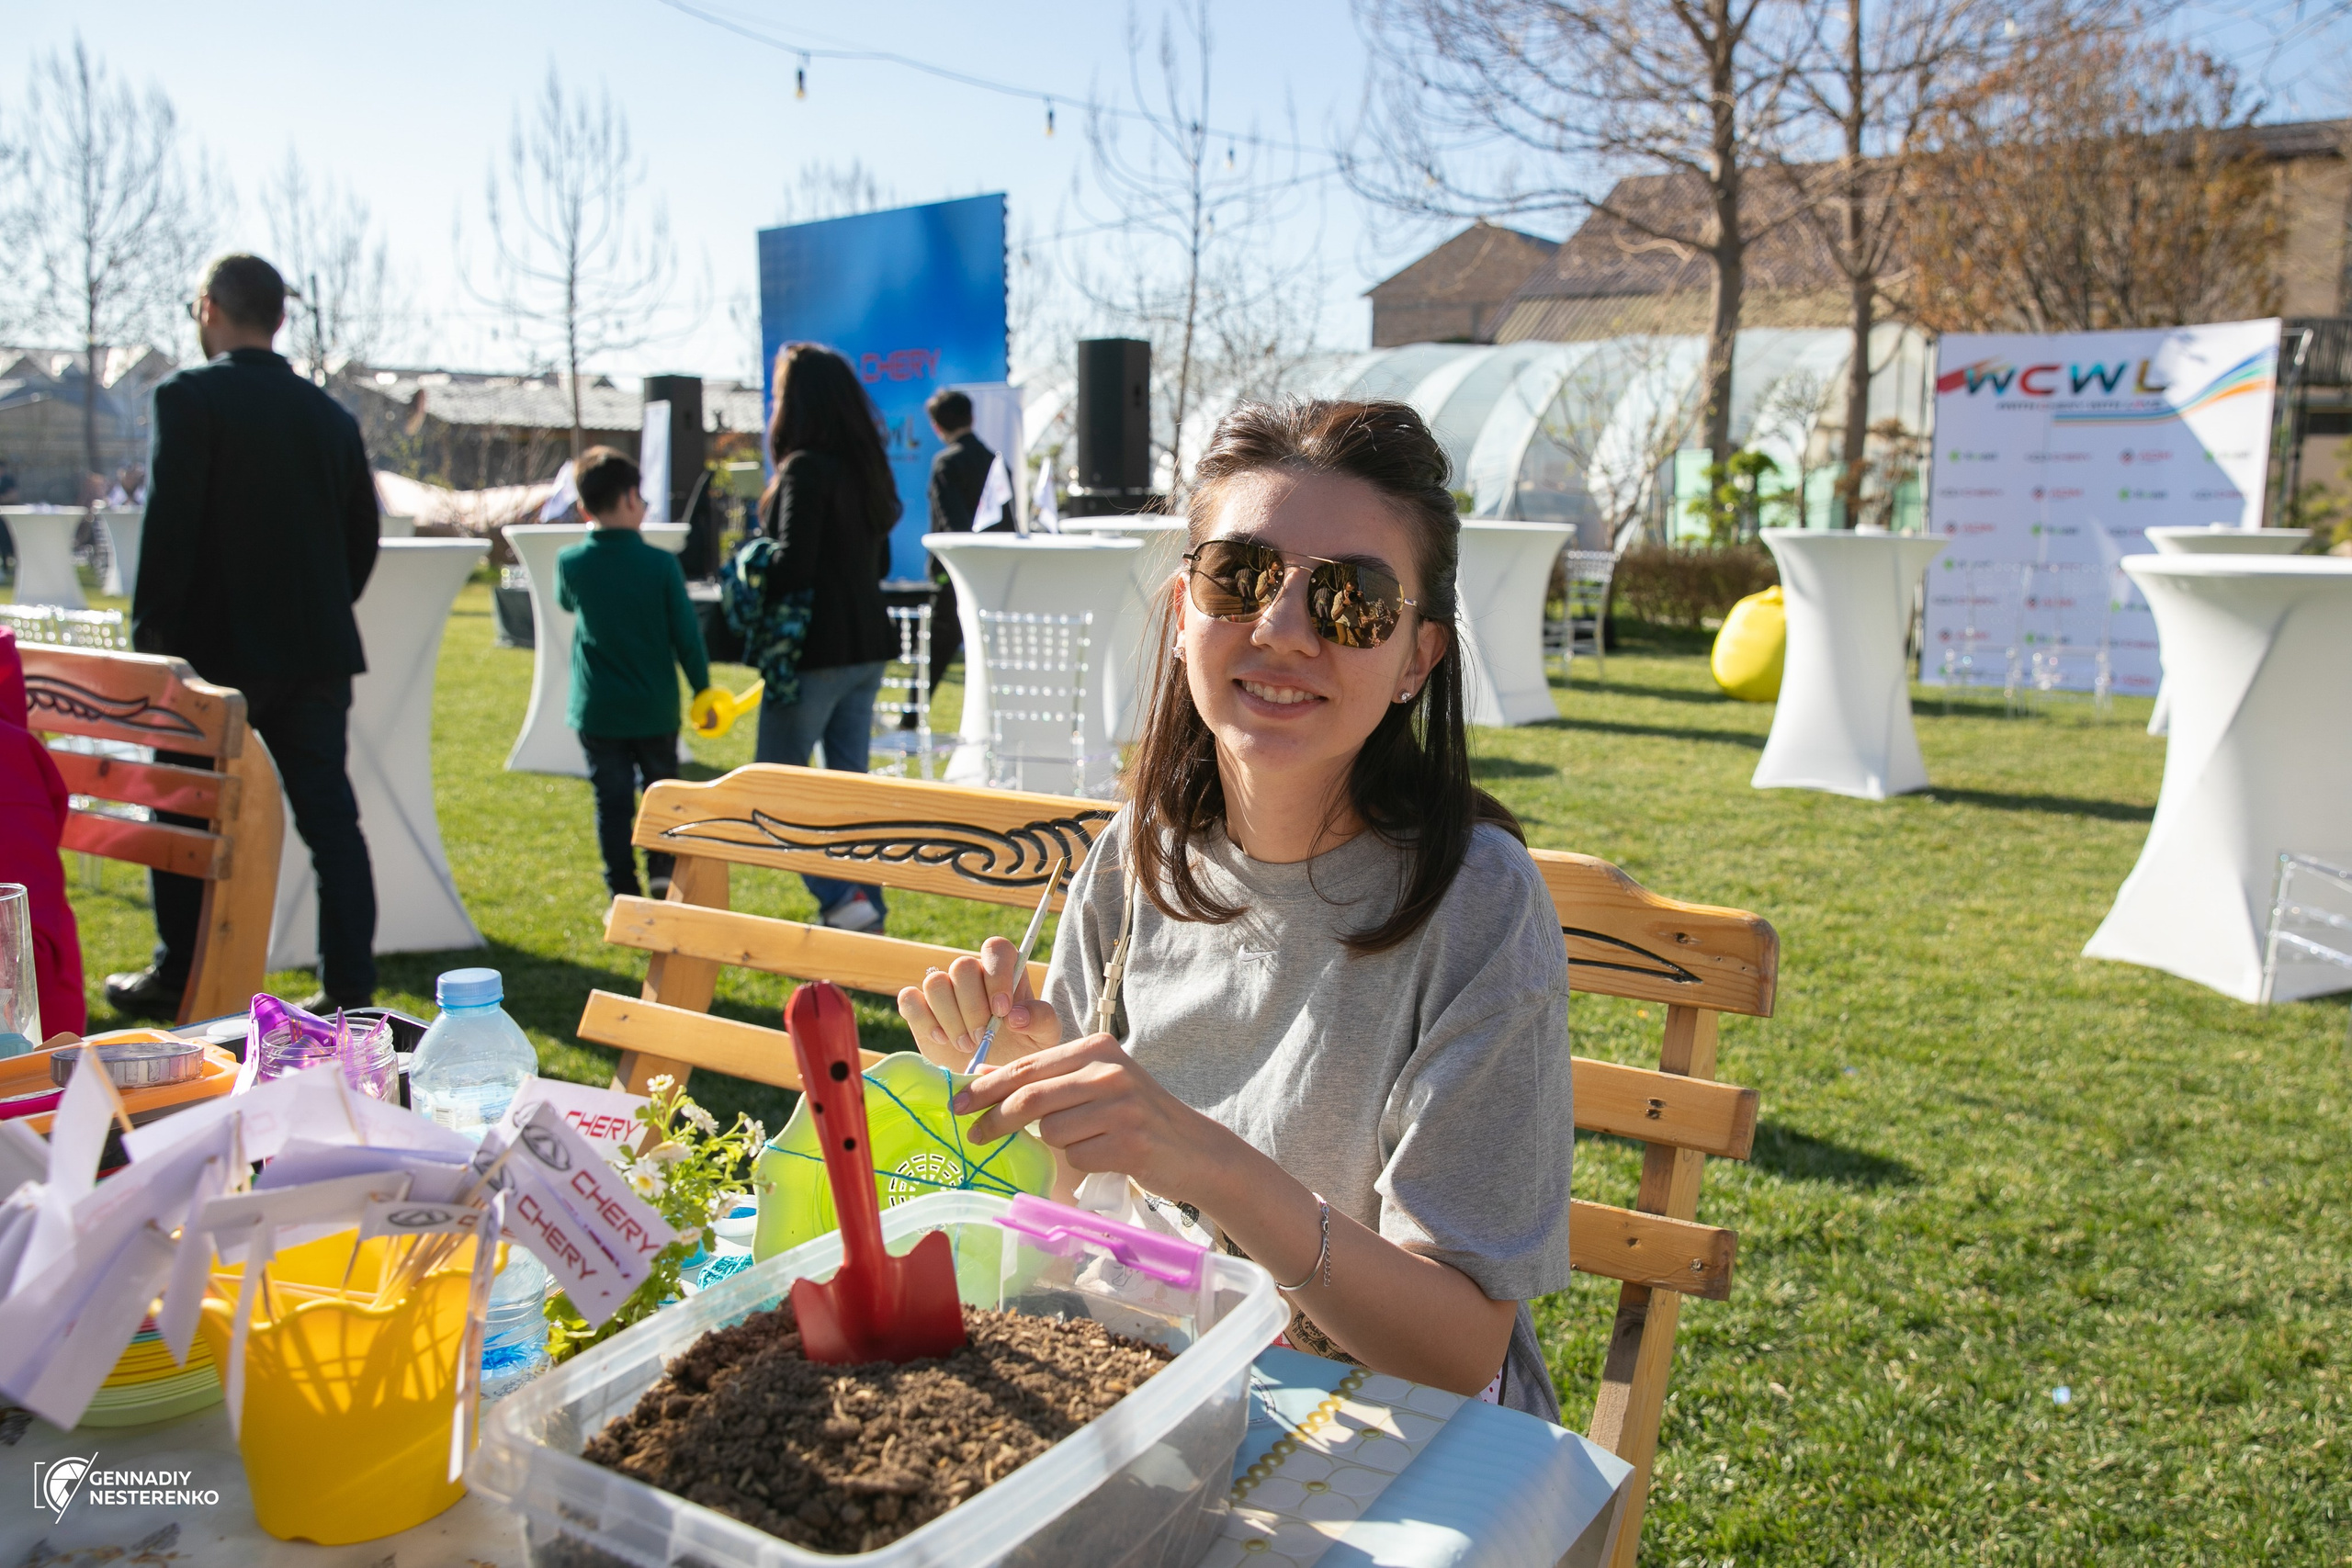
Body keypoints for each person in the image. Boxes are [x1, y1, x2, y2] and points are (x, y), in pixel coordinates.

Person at [898, 400, 1575, 1418]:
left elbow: (1455, 1349)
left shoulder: (1476, 904)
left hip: (1394, 1429)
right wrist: (1035, 1085)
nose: (1283, 630)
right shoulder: (1133, 860)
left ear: (1416, 660)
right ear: (1182, 616)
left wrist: (1202, 1158)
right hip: (1177, 1381)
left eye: (1353, 600)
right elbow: (1079, 1212)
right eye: (1239, 576)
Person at [110, 254, 380, 1017]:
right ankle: (350, 984)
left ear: (207, 308)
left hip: (212, 654)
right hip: (315, 651)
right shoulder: (330, 415)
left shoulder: (190, 397)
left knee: (182, 811)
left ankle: (181, 970)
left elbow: (171, 530)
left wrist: (154, 648)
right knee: (332, 822)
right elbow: (362, 535)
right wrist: (323, 606)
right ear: (281, 317)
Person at [752, 343, 901, 934]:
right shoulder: (868, 467)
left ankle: (844, 898)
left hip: (814, 653)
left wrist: (751, 563)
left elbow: (795, 566)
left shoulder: (804, 468)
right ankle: (865, 909)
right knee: (848, 792)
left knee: (773, 785)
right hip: (866, 646)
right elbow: (880, 559)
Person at [557, 446, 710, 900]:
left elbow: (566, 603)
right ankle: (663, 873)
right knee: (661, 797)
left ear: (584, 508)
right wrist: (703, 689)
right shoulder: (660, 564)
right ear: (629, 499)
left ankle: (621, 889)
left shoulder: (571, 563)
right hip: (654, 708)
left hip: (597, 707)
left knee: (612, 802)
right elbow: (687, 637)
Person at [922, 389, 1012, 702]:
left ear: (936, 426)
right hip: (996, 573)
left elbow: (951, 524)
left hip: (954, 572)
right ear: (972, 418)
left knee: (939, 646)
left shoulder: (946, 464)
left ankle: (912, 714)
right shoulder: (996, 463)